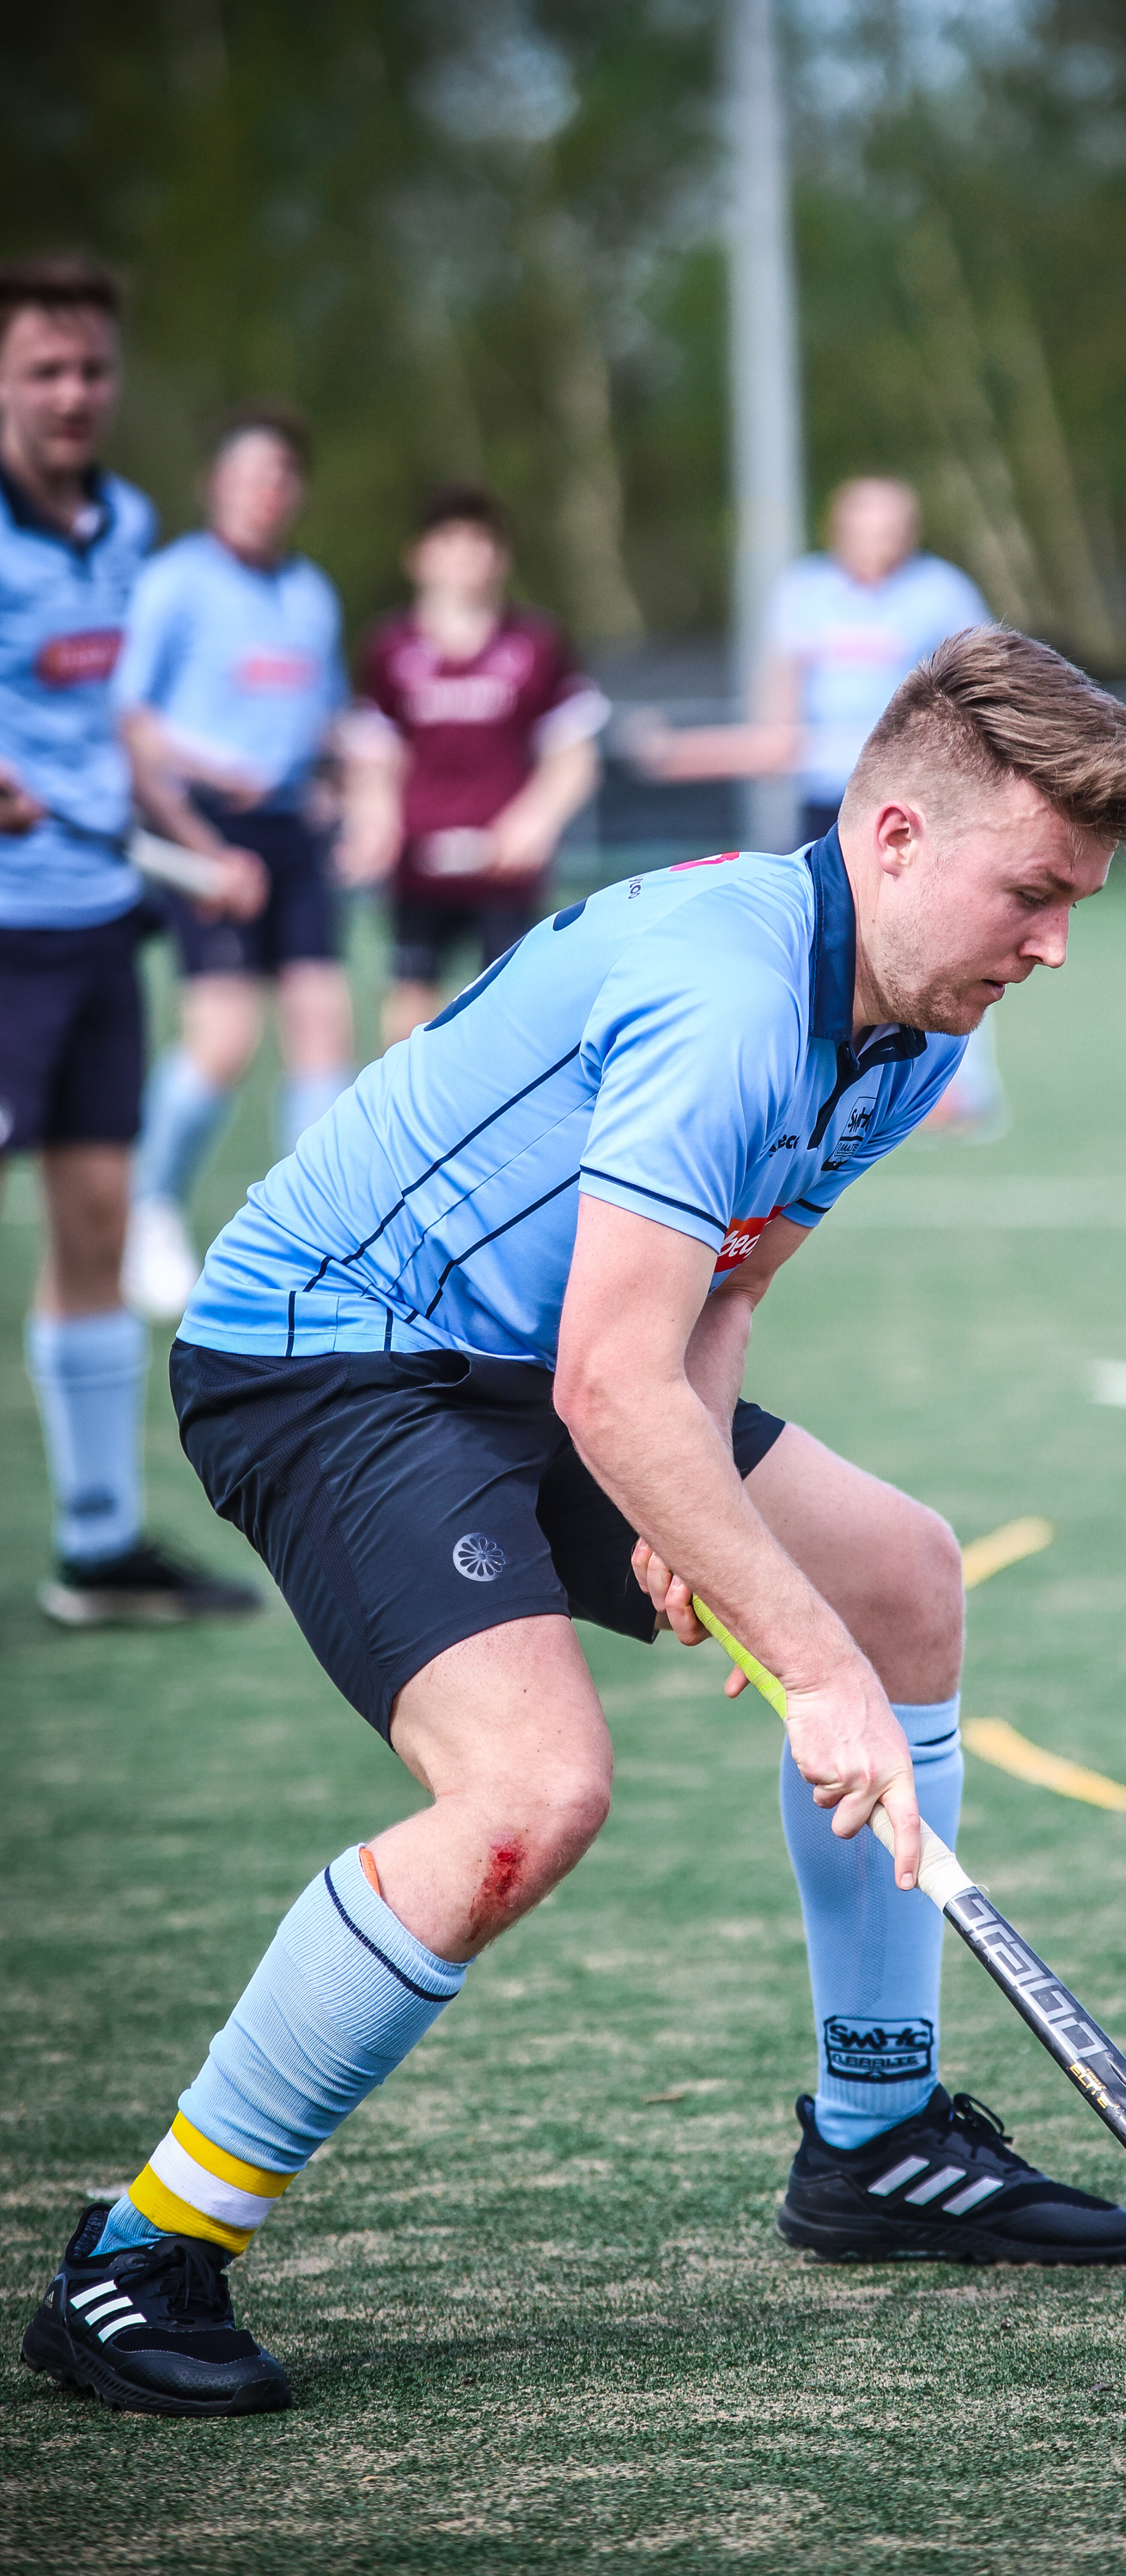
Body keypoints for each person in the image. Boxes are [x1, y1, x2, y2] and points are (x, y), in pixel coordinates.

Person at [21, 626, 1126, 2417]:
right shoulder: (729, 995)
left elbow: (715, 1298)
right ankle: (137, 2259)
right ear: (889, 839)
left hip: (554, 1350)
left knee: (901, 1580)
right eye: (1031, 891)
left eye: (1076, 904)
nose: (1052, 943)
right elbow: (607, 1391)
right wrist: (806, 1668)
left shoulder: (910, 1029)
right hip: (330, 1357)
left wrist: (698, 1503)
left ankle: (873, 2140)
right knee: (531, 1795)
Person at [0, 252, 261, 1629]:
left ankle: (96, 1549)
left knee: (95, 1220)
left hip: (99, 921)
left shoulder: (123, 528)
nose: (71, 393)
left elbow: (119, 726)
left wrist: (186, 839)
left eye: (90, 367)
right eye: (43, 369)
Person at [636, 476, 1007, 1137]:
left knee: (949, 930)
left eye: (896, 525)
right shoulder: (804, 594)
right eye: (870, 525)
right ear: (840, 528)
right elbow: (778, 714)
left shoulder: (941, 591)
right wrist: (689, 752)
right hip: (828, 803)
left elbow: (982, 688)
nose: (884, 540)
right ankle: (820, 1079)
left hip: (919, 797)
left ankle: (956, 1085)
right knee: (829, 941)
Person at [118, 404, 353, 1322]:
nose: (266, 492)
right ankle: (151, 1210)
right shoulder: (173, 583)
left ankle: (313, 1237)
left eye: (282, 477)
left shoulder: (310, 592)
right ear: (217, 485)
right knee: (223, 1041)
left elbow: (324, 724)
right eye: (250, 474)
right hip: (202, 829)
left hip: (293, 831)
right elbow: (133, 726)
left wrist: (353, 787)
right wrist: (205, 846)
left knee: (323, 1029)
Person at [339, 483, 608, 1048]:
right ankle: (409, 1135)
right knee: (409, 1018)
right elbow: (374, 758)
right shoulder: (390, 649)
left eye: (480, 541)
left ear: (501, 556)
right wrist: (374, 820)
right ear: (420, 556)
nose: (466, 555)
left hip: (504, 873)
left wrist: (535, 820)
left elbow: (573, 756)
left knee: (513, 1018)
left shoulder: (536, 644)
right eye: (450, 540)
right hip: (418, 869)